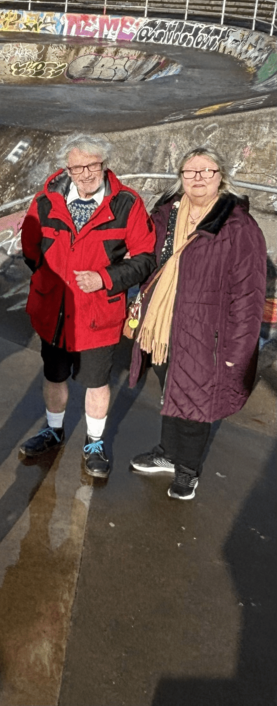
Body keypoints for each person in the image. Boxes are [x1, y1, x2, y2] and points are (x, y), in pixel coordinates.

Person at [127, 147, 266, 500]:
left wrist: (239, 350)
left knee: (196, 399)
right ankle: (168, 453)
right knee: (171, 389)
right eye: (191, 172)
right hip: (162, 324)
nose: (198, 178)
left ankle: (187, 469)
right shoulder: (168, 214)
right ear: (181, 177)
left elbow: (249, 294)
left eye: (207, 171)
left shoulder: (238, 225)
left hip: (207, 331)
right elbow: (143, 251)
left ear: (222, 176)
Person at [19, 134, 155, 478]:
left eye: (92, 165)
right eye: (77, 167)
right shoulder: (47, 200)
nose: (85, 173)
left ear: (104, 165)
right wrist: (48, 279)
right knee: (54, 375)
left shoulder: (127, 203)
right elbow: (30, 245)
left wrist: (105, 279)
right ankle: (53, 429)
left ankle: (94, 442)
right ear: (68, 169)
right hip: (54, 311)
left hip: (97, 313)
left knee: (96, 383)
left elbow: (145, 258)